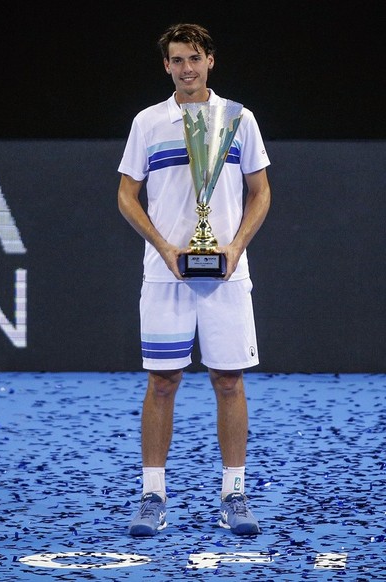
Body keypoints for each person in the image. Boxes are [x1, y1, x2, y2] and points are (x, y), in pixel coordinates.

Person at [117, 23, 272, 537]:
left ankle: (234, 493)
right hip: (165, 278)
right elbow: (126, 195)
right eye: (178, 60)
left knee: (229, 380)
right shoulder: (147, 122)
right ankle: (152, 496)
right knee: (162, 382)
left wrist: (234, 248)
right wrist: (164, 250)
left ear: (211, 61)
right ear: (166, 66)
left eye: (196, 58)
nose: (187, 68)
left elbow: (261, 192)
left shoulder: (239, 119)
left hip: (226, 274)